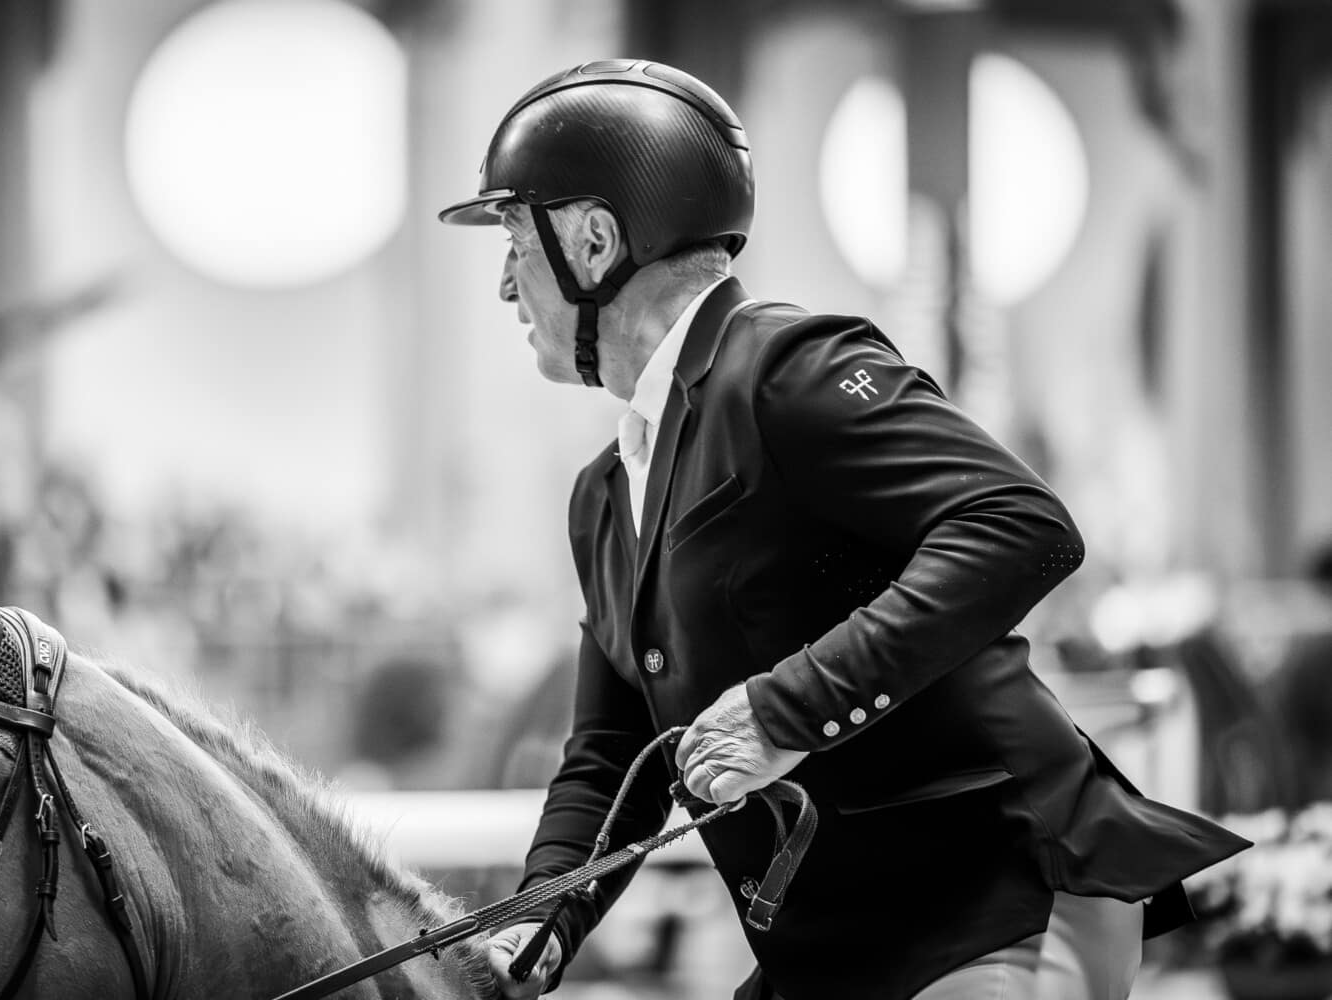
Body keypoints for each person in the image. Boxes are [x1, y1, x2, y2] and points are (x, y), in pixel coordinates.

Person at [439, 59, 1248, 1000]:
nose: (504, 284)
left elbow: (1020, 524)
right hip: (833, 943)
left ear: (592, 241)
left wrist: (787, 710)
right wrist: (540, 920)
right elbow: (609, 754)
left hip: (989, 899)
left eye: (513, 238)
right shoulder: (603, 495)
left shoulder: (790, 367)